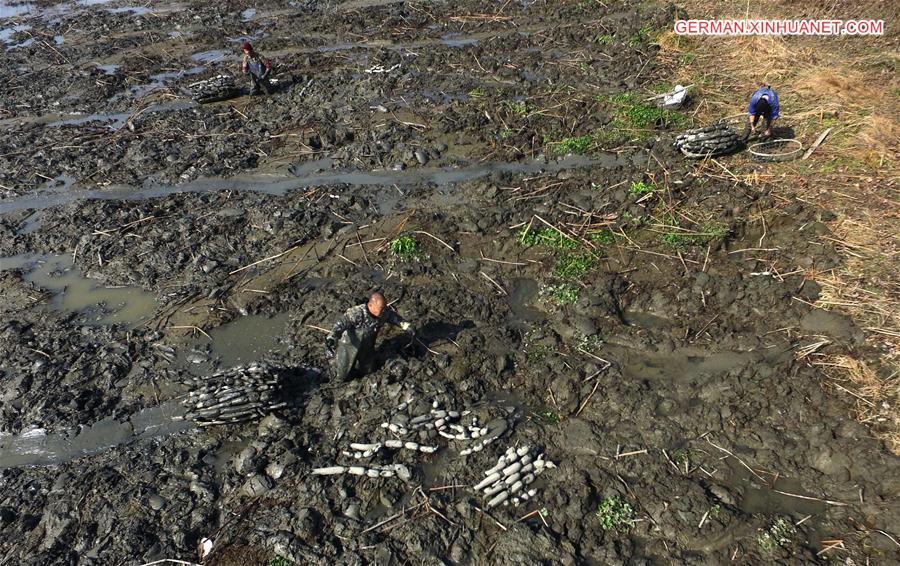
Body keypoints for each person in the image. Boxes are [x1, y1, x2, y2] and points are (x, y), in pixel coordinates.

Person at [325, 292, 415, 381]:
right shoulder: (357, 313)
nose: (384, 310)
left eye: (384, 308)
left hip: (367, 347)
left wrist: (406, 326)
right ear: (371, 305)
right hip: (349, 346)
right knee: (342, 374)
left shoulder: (383, 313)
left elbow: (393, 317)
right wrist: (331, 338)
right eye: (381, 308)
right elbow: (341, 324)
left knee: (368, 371)